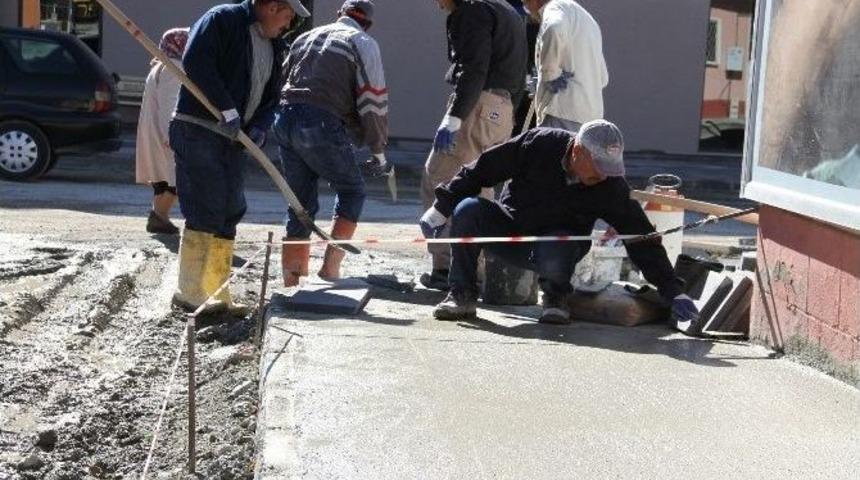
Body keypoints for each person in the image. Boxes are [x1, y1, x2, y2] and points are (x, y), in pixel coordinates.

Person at [419, 120, 699, 325]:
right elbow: (481, 169)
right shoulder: (540, 143)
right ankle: (462, 295)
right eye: (599, 166)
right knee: (469, 209)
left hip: (558, 249)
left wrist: (672, 291)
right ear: (578, 151)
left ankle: (555, 298)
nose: (603, 175)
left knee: (559, 240)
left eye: (610, 168)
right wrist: (440, 209)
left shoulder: (609, 185)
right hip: (511, 230)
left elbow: (640, 237)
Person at [169, 0, 310, 314]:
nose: (288, 25)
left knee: (231, 210)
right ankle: (189, 292)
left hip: (235, 138)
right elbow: (197, 62)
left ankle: (217, 292)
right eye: (287, 17)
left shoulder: (275, 46)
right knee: (206, 207)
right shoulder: (223, 19)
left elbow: (272, 95)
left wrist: (259, 126)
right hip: (199, 128)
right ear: (272, 7)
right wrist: (226, 107)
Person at [275, 0, 389, 287]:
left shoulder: (305, 37)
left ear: (339, 14)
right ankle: (330, 269)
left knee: (299, 202)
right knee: (352, 190)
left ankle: (291, 280)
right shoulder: (363, 42)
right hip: (321, 123)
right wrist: (378, 150)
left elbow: (281, 81)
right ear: (367, 24)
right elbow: (373, 102)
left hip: (285, 120)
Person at [420, 0, 528, 291]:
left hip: (478, 104)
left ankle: (447, 270)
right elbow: (519, 70)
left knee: (441, 179)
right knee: (480, 188)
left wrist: (455, 117)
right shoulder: (505, 9)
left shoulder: (473, 9)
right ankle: (473, 271)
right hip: (503, 108)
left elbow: (474, 67)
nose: (437, 4)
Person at [522, 0, 608, 131]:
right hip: (590, 115)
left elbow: (554, 27)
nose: (526, 8)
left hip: (562, 111)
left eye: (525, 2)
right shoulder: (586, 18)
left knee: (553, 145)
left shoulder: (554, 8)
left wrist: (549, 76)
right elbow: (603, 78)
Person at [135, 28, 189, 235]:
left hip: (156, 130)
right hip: (166, 133)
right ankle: (158, 217)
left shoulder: (160, 66)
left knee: (163, 179)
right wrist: (171, 135)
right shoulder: (174, 68)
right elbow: (169, 103)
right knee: (178, 179)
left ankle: (159, 218)